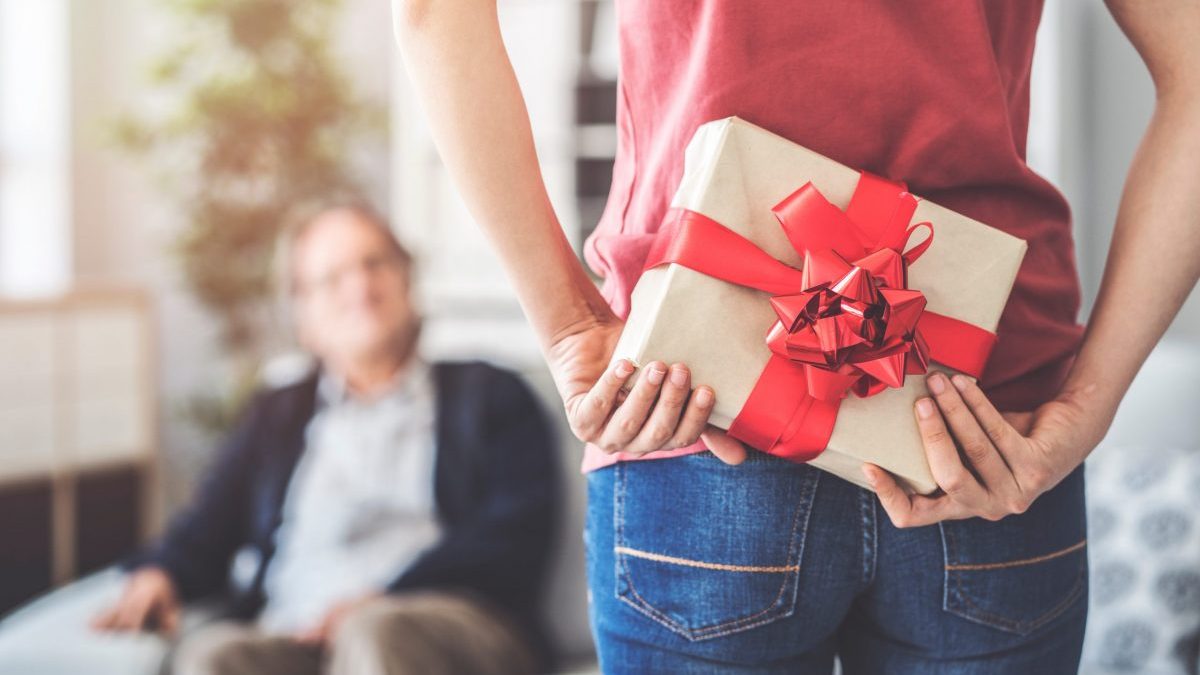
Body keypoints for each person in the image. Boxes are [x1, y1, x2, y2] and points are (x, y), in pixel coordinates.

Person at [392, 0, 1200, 672]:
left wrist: (571, 328)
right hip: (982, 422)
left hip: (692, 398)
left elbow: (434, 14)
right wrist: (1089, 401)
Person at [91, 202, 560, 675]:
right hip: (297, 636)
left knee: (375, 631)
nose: (360, 286)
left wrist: (380, 599)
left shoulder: (491, 394)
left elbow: (513, 536)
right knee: (215, 656)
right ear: (304, 318)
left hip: (444, 629)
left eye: (374, 263)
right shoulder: (275, 413)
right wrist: (161, 573)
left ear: (406, 280)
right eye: (333, 278)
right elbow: (209, 523)